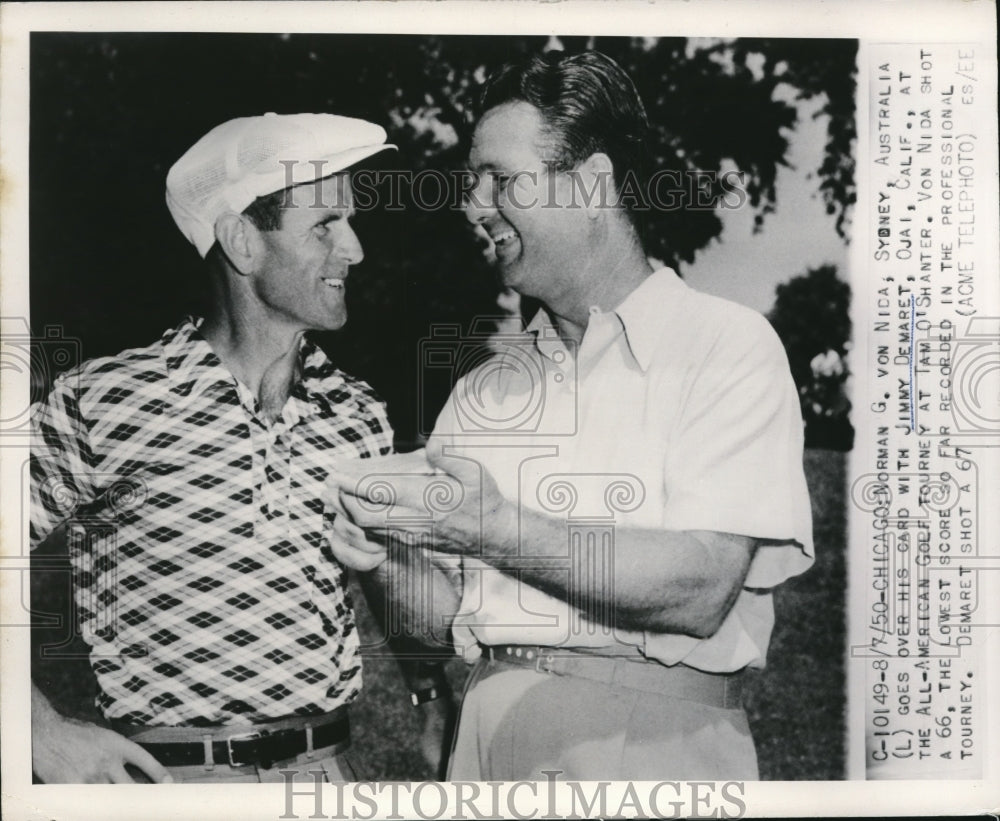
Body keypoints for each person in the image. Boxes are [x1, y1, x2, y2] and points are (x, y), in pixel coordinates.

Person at [328, 51, 814, 781]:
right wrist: (387, 554)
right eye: (470, 182)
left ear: (590, 184)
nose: (472, 206)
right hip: (486, 736)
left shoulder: (727, 345)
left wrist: (497, 526)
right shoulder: (486, 389)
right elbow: (451, 615)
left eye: (499, 179)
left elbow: (702, 585)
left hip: (652, 747)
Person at [29, 113, 401, 783]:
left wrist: (429, 688)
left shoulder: (359, 416)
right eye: (325, 225)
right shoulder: (107, 401)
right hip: (173, 784)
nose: (356, 249)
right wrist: (37, 728)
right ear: (241, 241)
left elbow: (402, 602)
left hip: (324, 778)